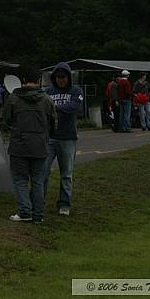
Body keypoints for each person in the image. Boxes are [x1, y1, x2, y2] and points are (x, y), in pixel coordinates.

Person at [2, 65, 56, 223]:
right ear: (39, 80)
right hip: (40, 145)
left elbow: (7, 120)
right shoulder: (47, 99)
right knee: (38, 180)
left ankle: (25, 212)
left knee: (20, 180)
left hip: (19, 145)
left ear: (23, 80)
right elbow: (53, 123)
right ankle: (38, 215)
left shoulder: (14, 98)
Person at [42, 62, 84, 216]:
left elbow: (74, 107)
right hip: (49, 137)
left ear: (68, 77)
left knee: (66, 174)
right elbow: (42, 108)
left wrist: (54, 108)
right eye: (58, 77)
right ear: (54, 77)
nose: (61, 80)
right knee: (42, 172)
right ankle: (39, 201)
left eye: (64, 77)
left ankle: (64, 204)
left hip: (68, 138)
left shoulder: (76, 90)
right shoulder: (48, 91)